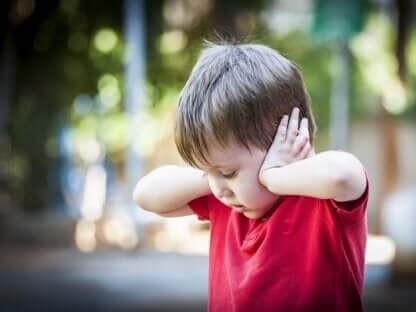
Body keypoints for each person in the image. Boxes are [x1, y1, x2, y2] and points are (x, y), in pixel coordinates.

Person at [133, 41, 369, 312]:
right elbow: (145, 194)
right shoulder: (223, 198)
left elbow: (343, 175)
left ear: (286, 139)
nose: (220, 188)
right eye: (210, 172)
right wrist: (215, 174)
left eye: (229, 172)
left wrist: (273, 176)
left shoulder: (323, 203)